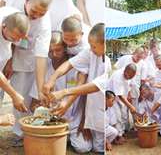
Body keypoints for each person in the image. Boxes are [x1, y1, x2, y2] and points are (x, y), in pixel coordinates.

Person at [43, 23, 105, 153]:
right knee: (96, 146)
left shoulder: (107, 62)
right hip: (91, 106)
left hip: (98, 104)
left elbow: (94, 86)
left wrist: (65, 94)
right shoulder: (90, 52)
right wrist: (52, 78)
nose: (91, 49)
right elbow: (69, 63)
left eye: (93, 46)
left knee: (96, 148)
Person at [0, 0, 52, 146]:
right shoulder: (9, 10)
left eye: (42, 14)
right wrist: (14, 94)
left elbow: (41, 56)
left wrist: (40, 90)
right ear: (27, 1)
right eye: (34, 12)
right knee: (15, 92)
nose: (36, 17)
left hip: (12, 57)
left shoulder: (41, 25)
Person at [29, 31, 91, 153]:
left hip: (75, 118)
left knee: (83, 148)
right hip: (51, 119)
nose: (54, 54)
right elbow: (33, 102)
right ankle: (61, 137)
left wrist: (84, 120)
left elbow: (87, 95)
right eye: (50, 51)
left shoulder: (77, 65)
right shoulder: (44, 69)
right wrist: (37, 108)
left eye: (58, 50)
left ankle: (67, 135)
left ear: (66, 48)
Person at [0, 7, 30, 148]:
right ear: (3, 26)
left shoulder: (14, 17)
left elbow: (12, 43)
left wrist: (8, 62)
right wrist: (14, 95)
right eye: (14, 38)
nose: (17, 41)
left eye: (20, 38)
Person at [114, 47, 147, 134]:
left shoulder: (143, 64)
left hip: (135, 88)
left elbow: (142, 80)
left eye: (141, 57)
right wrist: (128, 94)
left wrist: (141, 94)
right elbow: (118, 72)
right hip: (122, 88)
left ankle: (137, 128)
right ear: (133, 53)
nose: (139, 59)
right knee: (124, 110)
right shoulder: (124, 59)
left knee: (135, 108)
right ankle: (125, 129)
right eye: (137, 56)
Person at [107, 64, 137, 143]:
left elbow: (130, 84)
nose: (131, 78)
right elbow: (119, 95)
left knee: (124, 115)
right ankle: (118, 136)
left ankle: (122, 132)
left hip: (123, 95)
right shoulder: (118, 76)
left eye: (132, 76)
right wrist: (131, 106)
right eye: (130, 76)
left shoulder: (131, 74)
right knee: (118, 116)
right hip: (113, 97)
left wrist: (129, 94)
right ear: (125, 72)